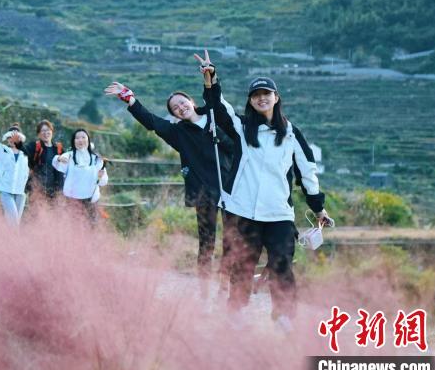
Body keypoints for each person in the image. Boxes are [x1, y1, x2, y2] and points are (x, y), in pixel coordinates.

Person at [196, 50, 333, 327]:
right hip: (243, 210)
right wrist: (212, 79)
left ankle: (284, 315)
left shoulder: (292, 133)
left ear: (276, 97)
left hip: (278, 213)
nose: (261, 98)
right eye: (256, 94)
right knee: (243, 264)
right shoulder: (241, 127)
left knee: (282, 263)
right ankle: (236, 312)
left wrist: (318, 207)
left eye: (266, 93)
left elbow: (307, 172)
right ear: (250, 100)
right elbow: (219, 109)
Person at [104, 72, 233, 279]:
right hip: (203, 192)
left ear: (191, 101)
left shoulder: (214, 117)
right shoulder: (177, 133)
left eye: (183, 102)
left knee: (232, 240)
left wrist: (220, 134)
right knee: (207, 242)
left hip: (229, 187)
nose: (181, 108)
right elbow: (151, 121)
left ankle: (227, 284)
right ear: (174, 115)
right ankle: (204, 286)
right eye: (175, 108)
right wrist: (128, 97)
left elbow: (234, 145)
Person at [51, 129, 108, 225]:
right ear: (73, 141)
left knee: (90, 231)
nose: (80, 140)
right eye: (77, 138)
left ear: (88, 140)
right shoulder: (69, 155)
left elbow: (103, 182)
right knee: (73, 232)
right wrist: (59, 158)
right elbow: (56, 164)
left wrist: (100, 177)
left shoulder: (96, 159)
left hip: (91, 202)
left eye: (83, 137)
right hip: (71, 201)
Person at [24, 120, 65, 201]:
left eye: (48, 130)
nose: (46, 133)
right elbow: (23, 151)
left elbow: (64, 167)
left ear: (52, 132)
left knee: (52, 212)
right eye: (43, 131)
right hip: (36, 188)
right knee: (36, 212)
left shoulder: (58, 148)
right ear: (39, 134)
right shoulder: (34, 146)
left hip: (53, 190)